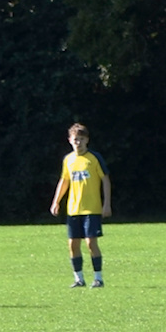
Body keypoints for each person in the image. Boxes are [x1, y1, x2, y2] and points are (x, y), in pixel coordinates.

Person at [48, 123, 111, 287]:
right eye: (76, 139)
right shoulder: (68, 160)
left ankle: (98, 278)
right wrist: (56, 201)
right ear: (70, 140)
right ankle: (79, 279)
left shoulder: (94, 158)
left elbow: (105, 179)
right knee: (73, 244)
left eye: (81, 139)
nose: (78, 143)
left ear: (87, 140)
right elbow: (64, 181)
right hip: (73, 209)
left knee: (91, 242)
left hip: (92, 208)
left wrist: (107, 204)